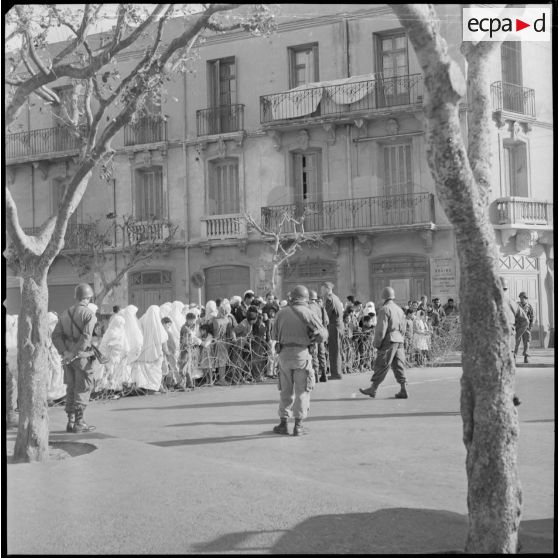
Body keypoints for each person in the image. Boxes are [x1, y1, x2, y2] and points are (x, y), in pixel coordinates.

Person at [271, 285, 327, 436]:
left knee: (285, 390)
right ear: (305, 298)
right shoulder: (308, 313)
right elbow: (323, 335)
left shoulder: (281, 313)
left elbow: (273, 335)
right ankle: (298, 426)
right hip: (302, 355)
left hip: (284, 355)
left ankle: (283, 424)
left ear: (292, 297)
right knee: (302, 391)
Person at [51, 283, 98, 433]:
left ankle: (70, 422)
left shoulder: (65, 313)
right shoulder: (89, 314)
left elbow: (55, 335)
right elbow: (86, 338)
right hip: (82, 358)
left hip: (68, 359)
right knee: (83, 388)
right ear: (88, 297)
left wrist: (65, 352)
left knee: (71, 388)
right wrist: (73, 353)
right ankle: (79, 422)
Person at [359, 286, 408, 399]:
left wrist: (377, 343)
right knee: (399, 365)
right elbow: (403, 327)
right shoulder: (399, 309)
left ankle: (373, 388)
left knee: (382, 364)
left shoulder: (385, 309)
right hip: (399, 339)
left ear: (383, 297)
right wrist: (400, 337)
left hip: (389, 340)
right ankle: (403, 388)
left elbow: (381, 329)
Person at [501, 278, 527, 406]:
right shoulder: (511, 302)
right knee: (509, 369)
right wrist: (515, 335)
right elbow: (524, 321)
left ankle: (508, 395)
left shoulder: (487, 302)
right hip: (509, 341)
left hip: (495, 344)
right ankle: (510, 394)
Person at [321, 281, 344, 379]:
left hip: (334, 327)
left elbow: (327, 315)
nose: (321, 291)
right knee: (337, 350)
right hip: (339, 326)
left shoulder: (330, 299)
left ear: (327, 288)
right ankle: (337, 372)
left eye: (322, 289)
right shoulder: (336, 297)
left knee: (334, 350)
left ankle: (336, 374)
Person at [308, 289, 329, 382]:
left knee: (314, 354)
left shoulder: (307, 307)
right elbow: (326, 321)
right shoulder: (320, 307)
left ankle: (316, 375)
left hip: (312, 333)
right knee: (322, 353)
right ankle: (324, 374)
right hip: (321, 332)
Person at [515, 292, 535, 364]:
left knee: (527, 342)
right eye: (520, 298)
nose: (521, 299)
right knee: (516, 342)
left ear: (526, 299)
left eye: (523, 298)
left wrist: (530, 327)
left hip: (526, 327)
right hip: (518, 327)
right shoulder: (517, 305)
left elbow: (532, 317)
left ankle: (526, 356)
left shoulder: (529, 307)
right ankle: (514, 356)